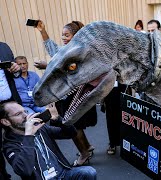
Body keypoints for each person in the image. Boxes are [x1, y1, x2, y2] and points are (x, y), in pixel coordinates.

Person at [34, 20, 97, 166]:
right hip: (67, 95)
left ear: (75, 35)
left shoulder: (79, 50)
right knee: (76, 125)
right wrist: (42, 31)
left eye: (66, 35)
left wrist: (48, 65)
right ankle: (87, 147)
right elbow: (53, 50)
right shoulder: (67, 48)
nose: (63, 38)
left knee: (73, 125)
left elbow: (71, 70)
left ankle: (84, 154)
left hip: (76, 95)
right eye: (62, 35)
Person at [0, 101, 97, 179]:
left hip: (63, 174)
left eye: (25, 111)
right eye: (18, 114)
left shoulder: (40, 128)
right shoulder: (9, 145)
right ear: (6, 121)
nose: (25, 115)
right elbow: (24, 170)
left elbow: (71, 133)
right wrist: (29, 136)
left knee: (88, 172)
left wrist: (57, 119)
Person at [0, 41, 22, 180]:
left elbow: (16, 74)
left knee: (20, 140)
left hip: (11, 104)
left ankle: (33, 173)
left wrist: (16, 69)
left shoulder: (3, 47)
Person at [102, 83, 127, 155]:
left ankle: (125, 143)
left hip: (123, 85)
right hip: (110, 88)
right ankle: (112, 143)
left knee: (125, 118)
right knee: (110, 118)